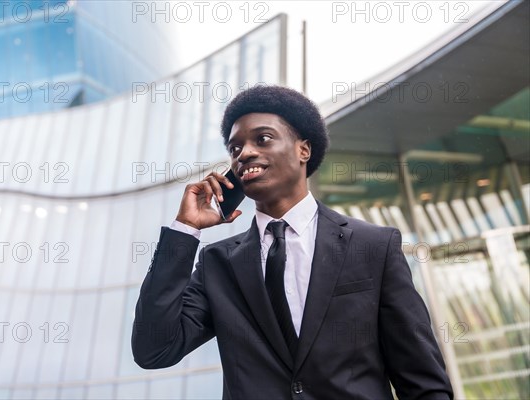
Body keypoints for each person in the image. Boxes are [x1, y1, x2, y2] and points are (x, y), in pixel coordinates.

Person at [132, 85, 453, 399]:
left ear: (304, 149)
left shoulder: (373, 247)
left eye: (262, 139)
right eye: (234, 148)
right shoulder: (218, 264)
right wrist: (186, 229)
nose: (245, 153)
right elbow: (154, 349)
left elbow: (424, 383)